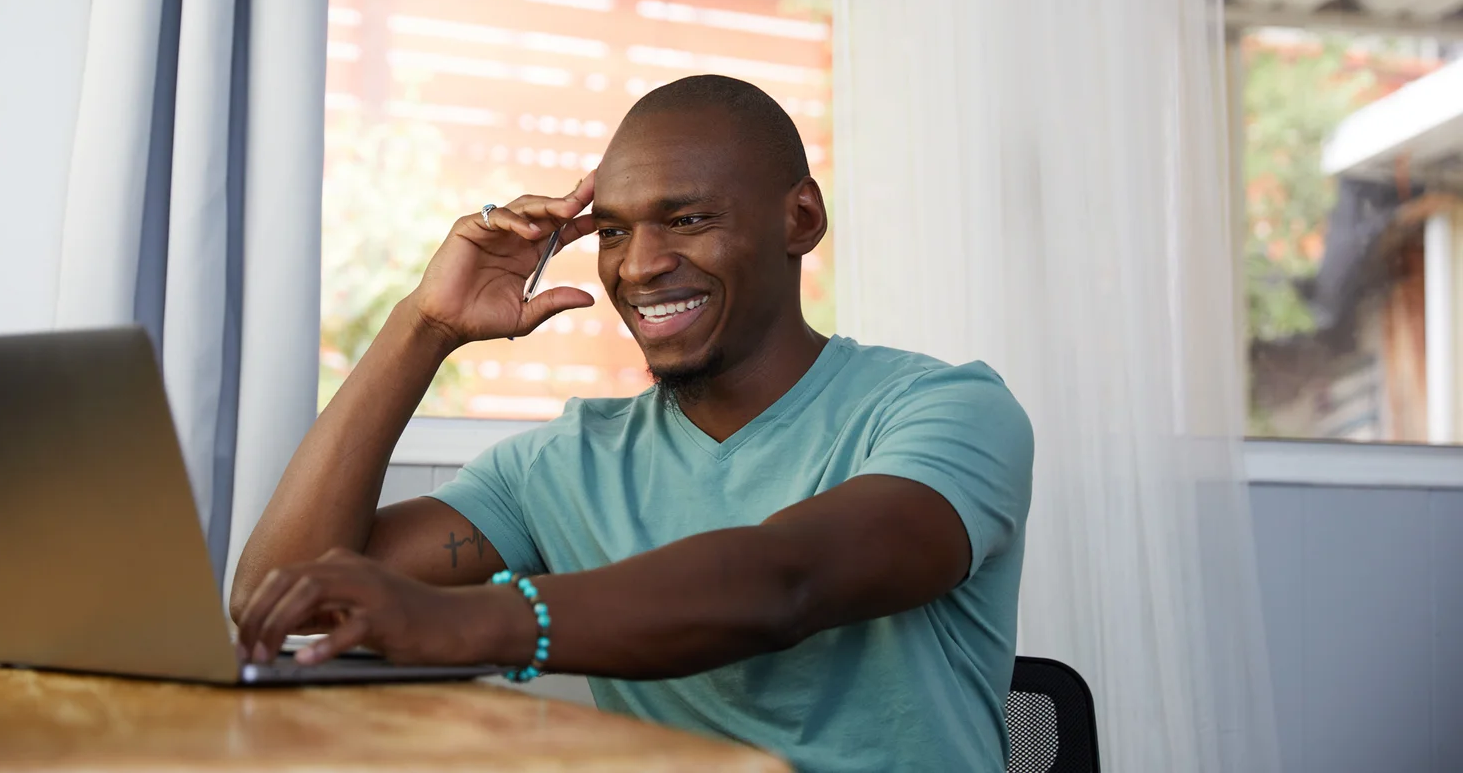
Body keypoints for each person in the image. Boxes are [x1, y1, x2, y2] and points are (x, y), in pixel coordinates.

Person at [231, 74, 1033, 772]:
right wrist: (425, 327)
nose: (639, 263)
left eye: (686, 220)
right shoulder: (563, 466)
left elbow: (784, 583)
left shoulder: (946, 411)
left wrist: (462, 620)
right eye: (613, 229)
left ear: (800, 218)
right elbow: (284, 599)